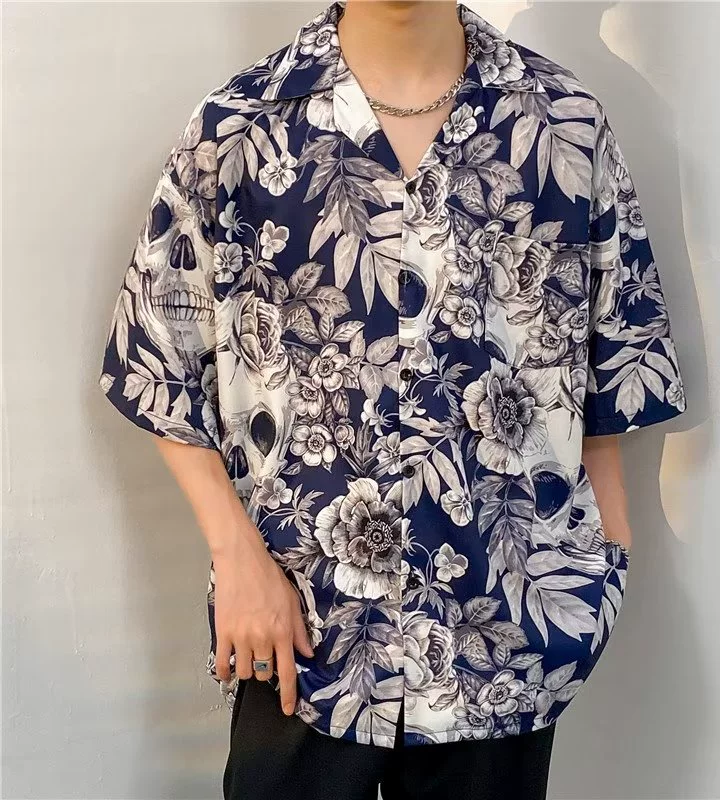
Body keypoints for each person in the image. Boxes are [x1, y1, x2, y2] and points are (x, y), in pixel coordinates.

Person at [98, 1, 687, 798]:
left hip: (500, 642)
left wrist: (600, 559)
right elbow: (155, 358)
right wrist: (236, 558)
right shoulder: (239, 129)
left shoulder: (563, 125)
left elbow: (608, 362)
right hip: (302, 633)